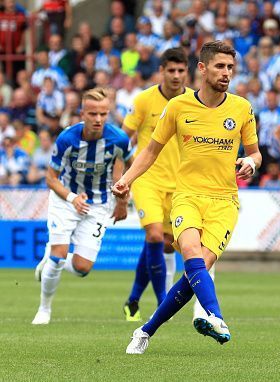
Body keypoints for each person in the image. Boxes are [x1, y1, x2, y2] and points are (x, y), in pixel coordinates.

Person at [112, 41, 261, 353]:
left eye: (231, 67)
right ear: (203, 69)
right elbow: (150, 150)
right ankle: (217, 316)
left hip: (225, 201)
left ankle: (145, 330)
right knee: (190, 251)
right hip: (188, 196)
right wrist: (125, 180)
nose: (227, 73)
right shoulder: (178, 108)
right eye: (220, 66)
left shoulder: (242, 108)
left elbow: (256, 154)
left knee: (196, 272)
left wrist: (250, 162)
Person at [31, 88, 133, 325]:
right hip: (66, 200)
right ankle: (44, 309)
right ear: (82, 114)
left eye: (103, 114)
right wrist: (71, 198)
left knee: (82, 268)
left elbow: (132, 167)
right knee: (58, 257)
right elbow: (51, 178)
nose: (98, 119)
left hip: (98, 204)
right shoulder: (67, 139)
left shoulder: (118, 139)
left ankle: (50, 258)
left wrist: (122, 200)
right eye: (92, 114)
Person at [121, 48, 197, 322]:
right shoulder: (143, 100)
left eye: (181, 71)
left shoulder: (194, 101)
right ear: (161, 71)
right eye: (171, 70)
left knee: (164, 244)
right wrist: (122, 180)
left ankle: (132, 299)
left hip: (179, 184)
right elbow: (122, 140)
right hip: (147, 180)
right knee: (154, 235)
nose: (176, 76)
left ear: (186, 73)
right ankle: (162, 301)